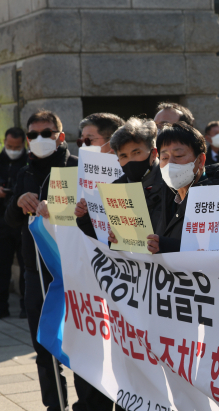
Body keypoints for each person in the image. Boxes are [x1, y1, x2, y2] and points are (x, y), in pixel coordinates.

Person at [4, 110, 114, 411]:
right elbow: (11, 220)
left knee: (81, 345)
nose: (40, 139)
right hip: (36, 273)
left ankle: (87, 404)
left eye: (47, 133)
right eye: (34, 135)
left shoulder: (79, 167)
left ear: (61, 136)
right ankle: (55, 404)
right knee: (43, 346)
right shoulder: (24, 172)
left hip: (76, 273)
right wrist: (17, 202)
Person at [110, 122, 219, 254]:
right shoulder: (164, 197)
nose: (170, 163)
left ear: (201, 161)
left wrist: (168, 247)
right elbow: (150, 240)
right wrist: (123, 240)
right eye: (164, 157)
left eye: (178, 156)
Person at [75, 118, 164, 236]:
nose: (130, 160)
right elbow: (102, 237)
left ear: (154, 153)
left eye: (136, 153)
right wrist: (85, 216)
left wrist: (161, 244)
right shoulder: (115, 190)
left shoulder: (173, 186)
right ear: (118, 160)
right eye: (124, 156)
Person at [0, 127, 27, 318]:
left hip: (23, 223)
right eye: (9, 146)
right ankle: (2, 308)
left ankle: (27, 309)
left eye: (17, 147)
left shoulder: (30, 161)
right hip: (2, 223)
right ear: (4, 141)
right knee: (2, 267)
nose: (13, 149)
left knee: (27, 268)